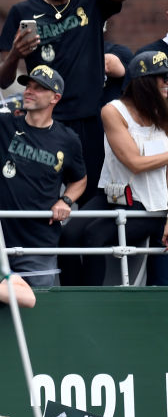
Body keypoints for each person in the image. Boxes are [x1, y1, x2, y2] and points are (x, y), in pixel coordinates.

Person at [0, 0, 152, 204]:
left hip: (88, 122)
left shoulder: (91, 2)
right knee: (40, 199)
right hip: (44, 122)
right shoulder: (22, 11)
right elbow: (3, 78)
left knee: (91, 199)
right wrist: (15, 56)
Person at [0, 63, 87, 287]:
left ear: (55, 98)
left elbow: (80, 179)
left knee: (39, 313)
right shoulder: (2, 124)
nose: (29, 91)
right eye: (28, 86)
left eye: (39, 88)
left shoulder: (68, 139)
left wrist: (66, 199)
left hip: (39, 246)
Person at [59, 50, 168, 285]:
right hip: (114, 195)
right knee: (68, 235)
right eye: (164, 78)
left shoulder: (165, 112)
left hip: (153, 205)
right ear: (146, 83)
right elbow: (134, 163)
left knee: (94, 236)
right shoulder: (113, 110)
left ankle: (91, 301)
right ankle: (72, 296)